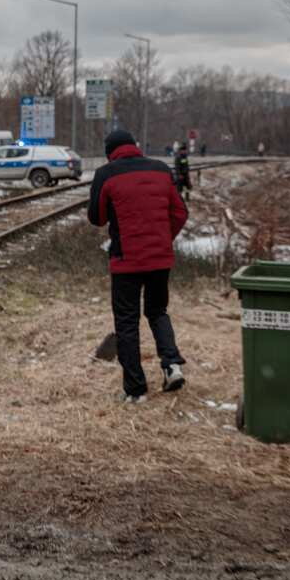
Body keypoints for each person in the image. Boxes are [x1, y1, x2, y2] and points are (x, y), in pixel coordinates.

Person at [88, 129, 188, 403]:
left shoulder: (106, 174)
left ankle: (135, 390)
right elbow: (180, 212)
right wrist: (164, 239)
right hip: (159, 259)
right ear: (135, 146)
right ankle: (172, 365)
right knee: (158, 311)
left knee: (127, 322)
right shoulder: (160, 169)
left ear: (110, 152)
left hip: (126, 261)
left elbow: (96, 217)